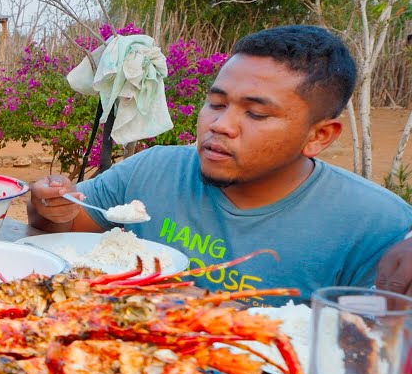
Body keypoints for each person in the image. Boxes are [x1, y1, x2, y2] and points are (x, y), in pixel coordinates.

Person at [28, 24, 412, 300]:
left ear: (318, 136)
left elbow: (377, 352)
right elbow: (59, 225)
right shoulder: (152, 170)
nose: (219, 125)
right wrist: (50, 204)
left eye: (256, 114)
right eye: (216, 103)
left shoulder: (379, 227)